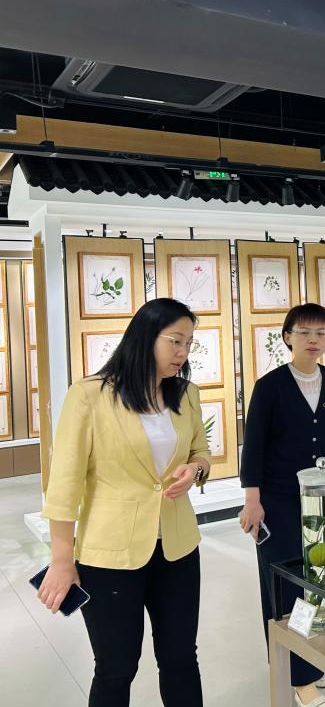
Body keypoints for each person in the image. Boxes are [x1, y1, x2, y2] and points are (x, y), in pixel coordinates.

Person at [37, 298, 211, 707]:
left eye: (189, 343)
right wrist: (62, 560)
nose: (183, 352)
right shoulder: (90, 395)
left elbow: (201, 453)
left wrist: (195, 471)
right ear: (145, 337)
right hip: (109, 556)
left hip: (178, 548)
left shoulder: (186, 394)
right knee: (115, 667)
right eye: (175, 341)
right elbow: (64, 484)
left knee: (181, 659)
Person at [239, 303, 325, 707]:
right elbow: (254, 445)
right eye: (304, 332)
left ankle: (317, 657)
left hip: (324, 495)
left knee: (322, 578)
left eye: (321, 333)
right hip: (278, 500)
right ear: (287, 337)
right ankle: (297, 676)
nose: (313, 340)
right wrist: (252, 500)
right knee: (286, 583)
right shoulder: (270, 386)